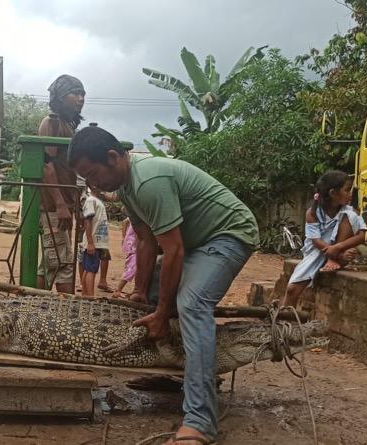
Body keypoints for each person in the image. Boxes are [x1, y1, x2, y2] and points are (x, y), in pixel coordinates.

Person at [68, 126, 259, 445]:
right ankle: (175, 373)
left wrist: (161, 312)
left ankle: (200, 420)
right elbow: (145, 240)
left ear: (113, 158)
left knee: (191, 304)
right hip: (197, 242)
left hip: (229, 235)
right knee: (154, 298)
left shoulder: (149, 181)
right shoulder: (127, 187)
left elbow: (174, 251)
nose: (92, 185)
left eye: (92, 174)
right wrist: (142, 292)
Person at [282, 170, 367, 308]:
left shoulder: (349, 212)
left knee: (350, 216)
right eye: (347, 190)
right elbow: (315, 241)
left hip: (335, 250)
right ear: (333, 193)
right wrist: (335, 251)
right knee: (292, 290)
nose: (350, 194)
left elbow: (362, 236)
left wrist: (337, 248)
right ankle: (283, 322)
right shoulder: (313, 213)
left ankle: (334, 259)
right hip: (317, 251)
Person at [36, 74, 86, 293]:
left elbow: (69, 171)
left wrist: (74, 205)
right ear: (61, 97)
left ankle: (34, 303)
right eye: (75, 93)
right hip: (52, 206)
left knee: (51, 261)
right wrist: (60, 204)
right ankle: (69, 312)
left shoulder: (67, 125)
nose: (81, 98)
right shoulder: (52, 123)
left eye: (83, 94)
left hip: (62, 204)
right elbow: (46, 164)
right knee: (61, 263)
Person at [79, 183, 110, 297]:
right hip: (94, 242)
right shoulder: (91, 200)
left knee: (88, 269)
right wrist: (91, 243)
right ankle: (90, 296)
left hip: (96, 242)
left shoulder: (96, 200)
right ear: (93, 185)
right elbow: (87, 221)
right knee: (91, 269)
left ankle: (85, 295)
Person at [112, 216, 138, 300]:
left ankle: (136, 290)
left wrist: (124, 237)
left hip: (132, 244)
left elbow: (124, 221)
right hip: (134, 246)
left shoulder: (136, 213)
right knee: (132, 268)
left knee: (136, 267)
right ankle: (118, 290)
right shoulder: (140, 214)